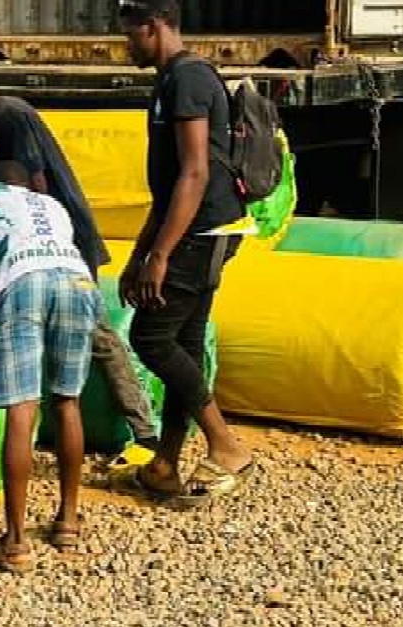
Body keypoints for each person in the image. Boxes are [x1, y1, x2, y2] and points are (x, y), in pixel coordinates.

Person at [0, 57, 160, 455]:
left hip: (59, 242)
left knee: (98, 335)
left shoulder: (12, 116)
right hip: (38, 242)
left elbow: (35, 181)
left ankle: (144, 431)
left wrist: (36, 237)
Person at [118, 0, 253, 504]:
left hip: (202, 231)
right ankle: (165, 465)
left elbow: (195, 172)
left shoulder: (189, 79)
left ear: (154, 27)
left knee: (151, 337)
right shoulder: (171, 79)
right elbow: (167, 184)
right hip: (196, 229)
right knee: (186, 345)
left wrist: (160, 257)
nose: (126, 45)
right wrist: (139, 254)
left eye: (130, 34)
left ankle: (226, 445)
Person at [0, 161, 101, 572]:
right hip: (78, 282)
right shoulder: (53, 204)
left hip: (23, 282)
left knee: (23, 409)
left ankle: (16, 542)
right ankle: (67, 520)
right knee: (68, 402)